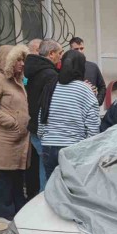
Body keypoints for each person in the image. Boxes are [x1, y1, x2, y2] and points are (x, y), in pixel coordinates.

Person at [0, 45, 30, 222]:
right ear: (7, 61)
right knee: (5, 175)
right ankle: (3, 212)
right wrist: (10, 121)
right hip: (5, 137)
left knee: (17, 174)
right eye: (17, 59)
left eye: (22, 59)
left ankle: (18, 209)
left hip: (20, 138)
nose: (21, 63)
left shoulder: (20, 80)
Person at [38, 50, 100, 182]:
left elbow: (41, 115)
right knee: (72, 190)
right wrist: (88, 148)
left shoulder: (50, 85)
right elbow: (93, 124)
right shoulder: (84, 89)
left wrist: (44, 137)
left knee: (51, 187)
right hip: (73, 148)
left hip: (48, 146)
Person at [24, 39, 61, 195]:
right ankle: (44, 203)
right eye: (59, 53)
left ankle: (41, 200)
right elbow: (49, 104)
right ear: (51, 54)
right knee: (49, 170)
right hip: (44, 128)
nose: (61, 57)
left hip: (35, 127)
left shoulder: (35, 70)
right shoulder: (49, 74)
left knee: (43, 167)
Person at [69, 36, 106, 106]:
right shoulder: (66, 68)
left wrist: (98, 101)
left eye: (81, 48)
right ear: (71, 50)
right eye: (76, 49)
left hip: (91, 107)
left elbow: (102, 87)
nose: (79, 51)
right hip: (74, 108)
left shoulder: (93, 67)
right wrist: (83, 87)